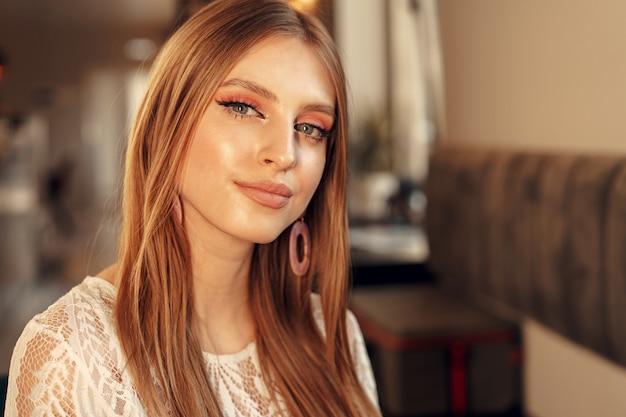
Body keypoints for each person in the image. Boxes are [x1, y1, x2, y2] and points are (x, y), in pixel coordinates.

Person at [4, 0, 382, 416]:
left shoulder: (331, 331)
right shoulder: (71, 353)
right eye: (243, 107)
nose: (285, 153)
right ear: (168, 122)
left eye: (310, 127)